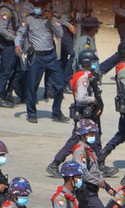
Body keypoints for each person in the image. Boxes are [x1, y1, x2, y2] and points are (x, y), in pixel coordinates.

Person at [47, 49, 111, 178]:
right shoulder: (83, 78)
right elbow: (81, 98)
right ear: (87, 63)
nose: (96, 64)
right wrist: (94, 100)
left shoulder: (89, 76)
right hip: (84, 114)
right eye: (94, 62)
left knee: (96, 138)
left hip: (90, 114)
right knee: (75, 140)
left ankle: (101, 164)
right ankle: (55, 164)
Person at [15, 0, 68, 124]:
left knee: (60, 84)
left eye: (42, 6)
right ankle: (31, 113)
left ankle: (56, 112)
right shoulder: (28, 19)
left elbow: (60, 33)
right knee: (32, 86)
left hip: (50, 56)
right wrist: (18, 44)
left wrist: (51, 20)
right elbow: (20, 33)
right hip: (36, 56)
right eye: (37, 6)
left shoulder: (52, 20)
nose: (39, 9)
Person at [71, 119, 114, 208]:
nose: (92, 135)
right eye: (89, 133)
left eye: (93, 133)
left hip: (92, 190)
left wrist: (106, 185)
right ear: (82, 135)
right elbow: (82, 173)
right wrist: (99, 182)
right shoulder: (80, 151)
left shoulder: (89, 150)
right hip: (86, 192)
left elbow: (95, 170)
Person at [0, 0, 24, 108]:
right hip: (8, 45)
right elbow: (1, 29)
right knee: (6, 72)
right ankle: (0, 97)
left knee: (18, 70)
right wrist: (14, 38)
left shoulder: (12, 9)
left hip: (14, 45)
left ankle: (8, 93)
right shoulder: (5, 10)